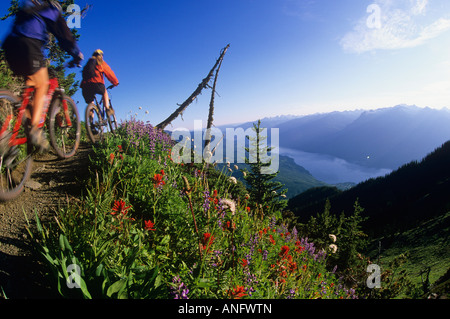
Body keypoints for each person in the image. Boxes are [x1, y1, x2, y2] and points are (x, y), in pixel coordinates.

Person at [2, 0, 84, 152]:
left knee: (30, 87)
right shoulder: (51, 10)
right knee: (43, 83)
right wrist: (76, 54)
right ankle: (35, 131)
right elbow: (65, 37)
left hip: (10, 45)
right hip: (29, 43)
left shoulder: (29, 4)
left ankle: (16, 132)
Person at [81, 49, 119, 116]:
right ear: (101, 56)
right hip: (96, 83)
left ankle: (90, 123)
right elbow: (109, 73)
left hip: (85, 86)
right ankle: (107, 109)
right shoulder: (101, 63)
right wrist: (115, 82)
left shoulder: (89, 62)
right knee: (104, 92)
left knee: (91, 104)